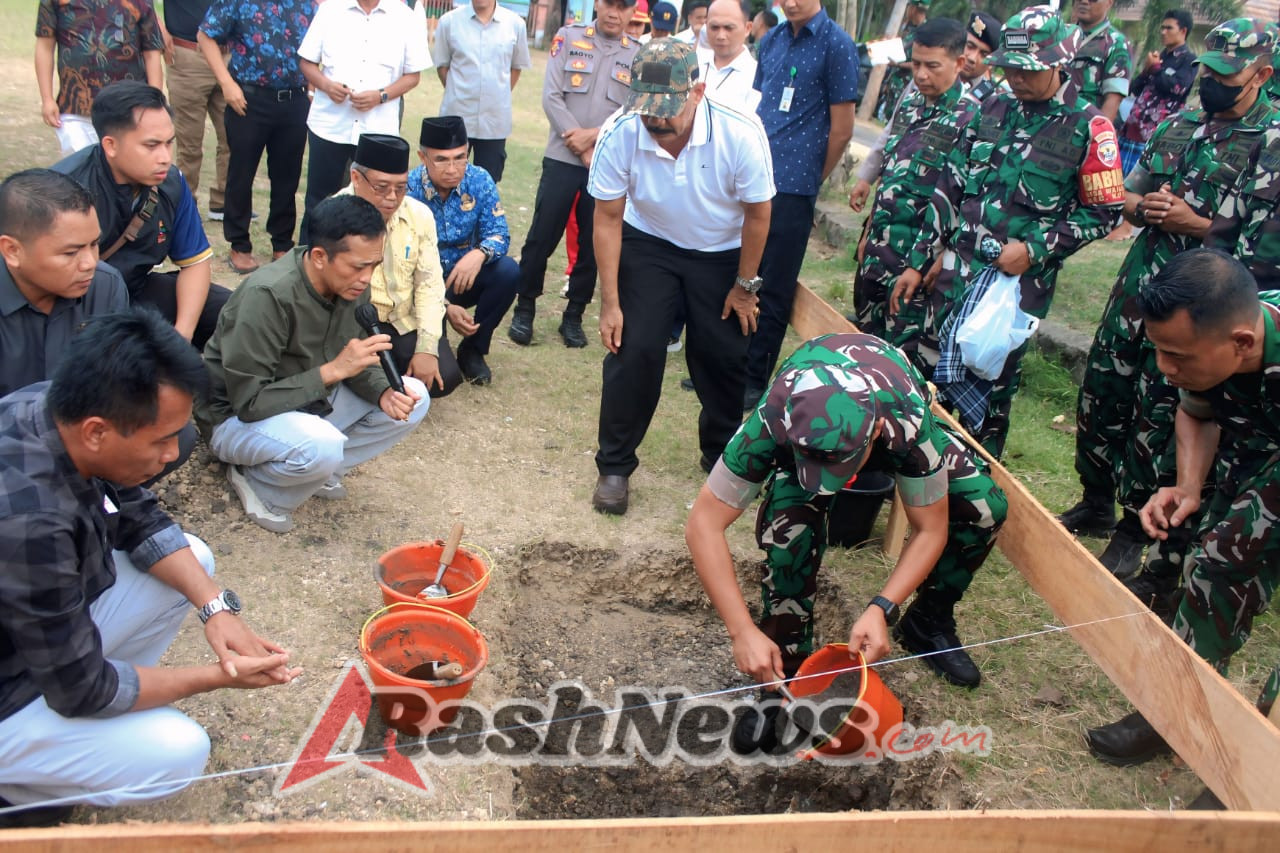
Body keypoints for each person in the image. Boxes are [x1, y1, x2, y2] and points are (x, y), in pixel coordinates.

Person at [0, 307, 299, 825]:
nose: (171, 454)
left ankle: (79, 735)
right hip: (13, 686)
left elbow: (140, 515)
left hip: (34, 646)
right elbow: (82, 689)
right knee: (177, 751)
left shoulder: (50, 406)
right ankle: (22, 791)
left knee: (192, 561)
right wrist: (217, 676)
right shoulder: (31, 521)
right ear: (96, 431)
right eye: (161, 439)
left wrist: (216, 610)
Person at [686, 334, 1008, 743]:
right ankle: (783, 679)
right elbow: (703, 524)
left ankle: (929, 620)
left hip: (892, 407)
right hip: (811, 431)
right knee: (789, 534)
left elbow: (930, 528)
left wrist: (881, 607)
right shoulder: (773, 417)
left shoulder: (906, 421)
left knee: (984, 507)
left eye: (836, 470)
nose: (826, 485)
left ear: (874, 434)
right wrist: (741, 631)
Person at [1062, 18, 1280, 583]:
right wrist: (1144, 207)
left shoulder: (1272, 142)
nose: (1213, 82)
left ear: (1262, 75)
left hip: (1202, 315)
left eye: (1228, 75)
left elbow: (1261, 260)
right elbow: (1126, 193)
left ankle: (1138, 529)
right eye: (1210, 70)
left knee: (1160, 414)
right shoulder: (1181, 125)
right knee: (1102, 395)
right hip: (1140, 291)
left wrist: (1199, 225)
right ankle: (1095, 497)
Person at [890, 6, 1125, 458]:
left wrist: (1036, 249)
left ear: (1060, 63)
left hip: (1010, 291)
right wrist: (919, 262)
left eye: (1027, 70)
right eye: (1010, 68)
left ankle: (970, 512)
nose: (1015, 78)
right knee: (922, 386)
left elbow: (1106, 213)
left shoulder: (1091, 129)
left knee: (985, 403)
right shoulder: (992, 109)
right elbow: (950, 187)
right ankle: (916, 486)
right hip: (951, 278)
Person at [1084, 249, 1280, 769]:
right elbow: (1198, 414)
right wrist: (1190, 487)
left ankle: (1264, 769)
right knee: (1215, 561)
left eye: (1180, 358)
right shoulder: (1220, 348)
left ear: (1241, 344)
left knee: (1227, 548)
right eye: (1160, 353)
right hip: (1261, 451)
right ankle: (1174, 715)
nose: (1166, 370)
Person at [588, 39, 773, 515]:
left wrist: (745, 285)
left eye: (667, 111)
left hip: (722, 251)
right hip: (650, 244)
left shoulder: (741, 133)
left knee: (722, 355)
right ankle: (614, 466)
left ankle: (722, 459)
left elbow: (758, 215)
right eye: (647, 111)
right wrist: (610, 301)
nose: (656, 124)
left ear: (697, 90)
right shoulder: (621, 131)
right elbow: (607, 218)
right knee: (636, 347)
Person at [197, 195, 429, 534]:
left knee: (413, 396)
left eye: (373, 266)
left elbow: (353, 364)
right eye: (357, 266)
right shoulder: (268, 296)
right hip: (233, 419)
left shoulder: (351, 285)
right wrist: (333, 371)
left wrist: (382, 392)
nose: (367, 278)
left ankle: (316, 472)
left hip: (305, 403)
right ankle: (259, 482)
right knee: (323, 444)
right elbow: (248, 402)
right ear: (319, 256)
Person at [0, 169, 198, 485]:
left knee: (173, 437)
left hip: (80, 437)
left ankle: (102, 507)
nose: (89, 262)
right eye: (70, 252)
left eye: (93, 244)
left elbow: (118, 385)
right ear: (12, 250)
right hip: (9, 449)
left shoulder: (104, 285)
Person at [53, 81, 230, 351]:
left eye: (169, 143)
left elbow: (195, 264)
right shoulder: (65, 192)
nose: (164, 157)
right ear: (110, 145)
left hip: (135, 290)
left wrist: (182, 335)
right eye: (151, 146)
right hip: (74, 305)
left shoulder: (172, 183)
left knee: (232, 311)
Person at [506, 0, 641, 350]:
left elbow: (634, 109)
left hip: (607, 162)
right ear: (598, 3)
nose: (614, 12)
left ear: (632, 13)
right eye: (609, 3)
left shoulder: (638, 54)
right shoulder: (568, 38)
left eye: (623, 7)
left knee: (593, 244)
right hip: (563, 156)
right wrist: (580, 146)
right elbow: (552, 97)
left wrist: (594, 137)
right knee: (541, 235)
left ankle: (574, 315)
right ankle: (525, 307)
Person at [743, 0, 858, 408]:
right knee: (740, 273)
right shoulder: (771, 39)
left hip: (794, 186)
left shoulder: (837, 45)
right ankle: (731, 363)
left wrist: (810, 179)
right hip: (753, 177)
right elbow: (758, 106)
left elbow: (843, 129)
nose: (790, 3)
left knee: (773, 286)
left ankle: (754, 380)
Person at [849, 18, 973, 364]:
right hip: (879, 254)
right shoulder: (910, 103)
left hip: (916, 268)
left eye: (932, 66)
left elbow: (961, 204)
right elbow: (893, 174)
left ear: (958, 64)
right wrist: (869, 231)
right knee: (864, 352)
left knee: (901, 366)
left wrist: (933, 260)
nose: (920, 75)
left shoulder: (972, 121)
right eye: (915, 64)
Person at [297, 0, 431, 244]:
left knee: (372, 205)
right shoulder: (331, 9)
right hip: (329, 126)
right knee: (319, 201)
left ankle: (365, 268)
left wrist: (381, 95)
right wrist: (326, 86)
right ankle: (308, 265)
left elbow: (413, 76)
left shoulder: (404, 16)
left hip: (377, 129)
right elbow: (306, 62)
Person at [198, 0, 313, 275]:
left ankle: (282, 244)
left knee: (287, 177)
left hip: (295, 100)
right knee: (241, 172)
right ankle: (239, 244)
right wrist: (226, 83)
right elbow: (205, 35)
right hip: (248, 99)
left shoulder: (309, 4)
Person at [338, 132, 452, 398]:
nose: (392, 197)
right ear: (356, 178)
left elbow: (429, 284)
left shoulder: (419, 215)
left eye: (400, 188)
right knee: (372, 382)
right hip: (354, 324)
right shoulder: (335, 214)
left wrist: (426, 348)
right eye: (381, 187)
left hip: (401, 320)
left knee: (444, 377)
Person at [409, 116, 521, 387]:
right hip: (420, 287)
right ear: (423, 157)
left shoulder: (479, 179)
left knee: (508, 271)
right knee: (442, 379)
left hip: (463, 279)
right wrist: (445, 307)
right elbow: (406, 261)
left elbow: (499, 233)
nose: (453, 168)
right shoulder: (409, 188)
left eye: (460, 157)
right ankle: (440, 335)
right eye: (442, 160)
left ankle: (473, 348)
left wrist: (479, 254)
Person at [35, 0, 164, 154]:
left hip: (129, 109)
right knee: (81, 170)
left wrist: (155, 103)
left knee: (124, 172)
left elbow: (152, 54)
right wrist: (47, 99)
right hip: (75, 107)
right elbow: (44, 46)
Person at [433, 0, 531, 183]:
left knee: (486, 186)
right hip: (456, 118)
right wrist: (460, 91)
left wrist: (494, 95)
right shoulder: (449, 22)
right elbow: (443, 66)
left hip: (494, 123)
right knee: (445, 182)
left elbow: (516, 68)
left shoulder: (515, 24)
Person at [156, 0, 230, 221]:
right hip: (188, 54)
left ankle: (224, 202)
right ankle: (185, 205)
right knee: (190, 143)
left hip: (228, 55)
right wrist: (157, 24)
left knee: (234, 136)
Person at [1117, 9, 1196, 177]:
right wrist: (1146, 70)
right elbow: (1134, 89)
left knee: (1132, 184)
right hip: (1131, 130)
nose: (1163, 32)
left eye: (1169, 28)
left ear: (1183, 31)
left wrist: (1155, 68)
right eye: (1162, 27)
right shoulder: (1159, 57)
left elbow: (1177, 88)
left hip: (1153, 137)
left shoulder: (1188, 60)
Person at [1068, 0, 1132, 123]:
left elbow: (1113, 100)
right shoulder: (1062, 35)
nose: (1084, 1)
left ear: (1109, 2)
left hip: (1082, 126)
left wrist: (1098, 135)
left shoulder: (1116, 44)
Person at [695, 0, 759, 113]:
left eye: (729, 28)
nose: (721, 36)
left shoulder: (756, 76)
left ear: (747, 28)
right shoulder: (692, 65)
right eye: (714, 27)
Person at [877, 0, 929, 121]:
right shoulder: (909, 30)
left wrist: (898, 63)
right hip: (895, 86)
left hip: (908, 89)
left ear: (913, 9)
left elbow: (922, 64)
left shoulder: (925, 34)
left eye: (908, 6)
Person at [958, 11, 1004, 104]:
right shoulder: (934, 79)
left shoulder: (994, 101)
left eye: (984, 54)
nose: (972, 58)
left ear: (991, 63)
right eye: (970, 46)